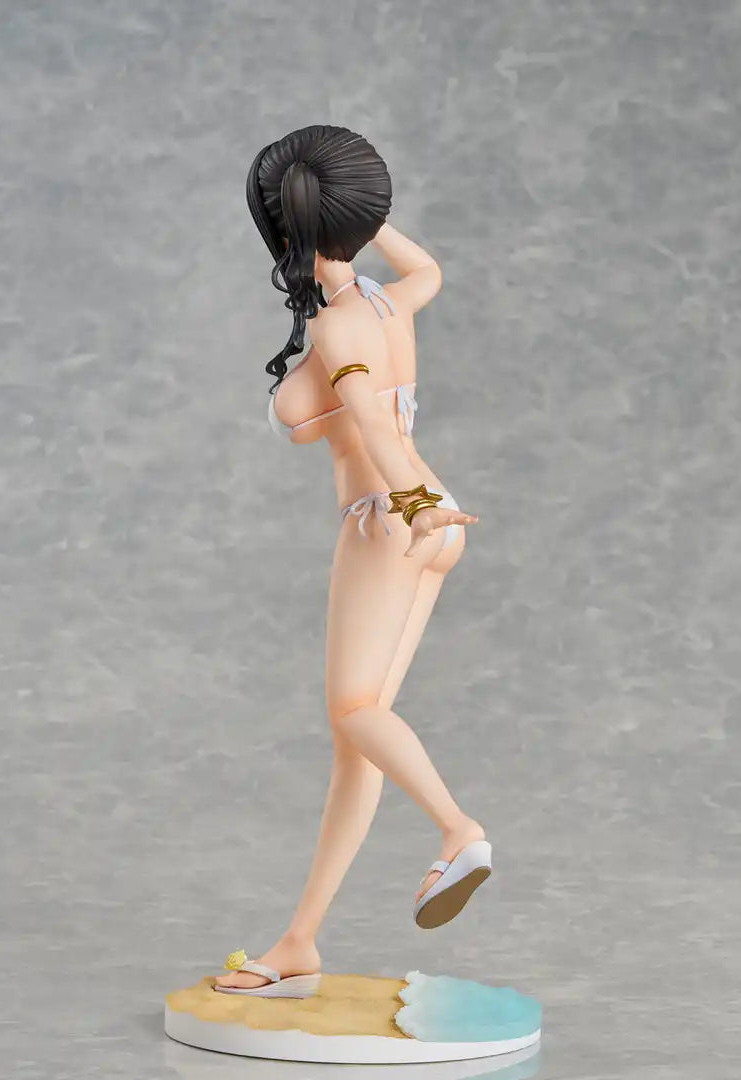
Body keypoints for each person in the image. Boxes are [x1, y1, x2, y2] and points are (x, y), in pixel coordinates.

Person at [214, 125, 490, 997]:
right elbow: (430, 269)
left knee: (354, 711)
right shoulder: (387, 302)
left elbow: (368, 421)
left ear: (285, 227)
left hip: (389, 520)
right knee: (357, 742)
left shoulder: (340, 326)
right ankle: (300, 940)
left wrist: (411, 501)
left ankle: (457, 831)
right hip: (428, 517)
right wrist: (361, 225)